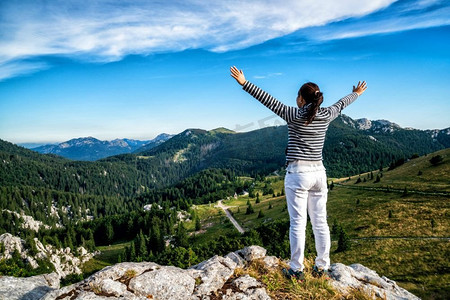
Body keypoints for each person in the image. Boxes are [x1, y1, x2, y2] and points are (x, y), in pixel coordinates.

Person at [230, 66, 367, 280]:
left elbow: (268, 99)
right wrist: (356, 93)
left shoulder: (293, 114)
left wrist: (244, 83)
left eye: (297, 96)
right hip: (319, 173)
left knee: (298, 223)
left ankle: (296, 269)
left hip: (298, 173)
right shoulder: (327, 114)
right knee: (320, 222)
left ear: (302, 100)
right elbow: (342, 103)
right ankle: (322, 267)